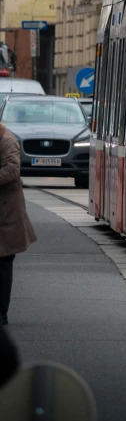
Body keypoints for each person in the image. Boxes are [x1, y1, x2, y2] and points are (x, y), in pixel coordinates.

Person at [0, 121, 37, 326]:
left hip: (7, 210)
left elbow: (12, 170)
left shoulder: (7, 141)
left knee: (4, 261)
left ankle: (1, 312)